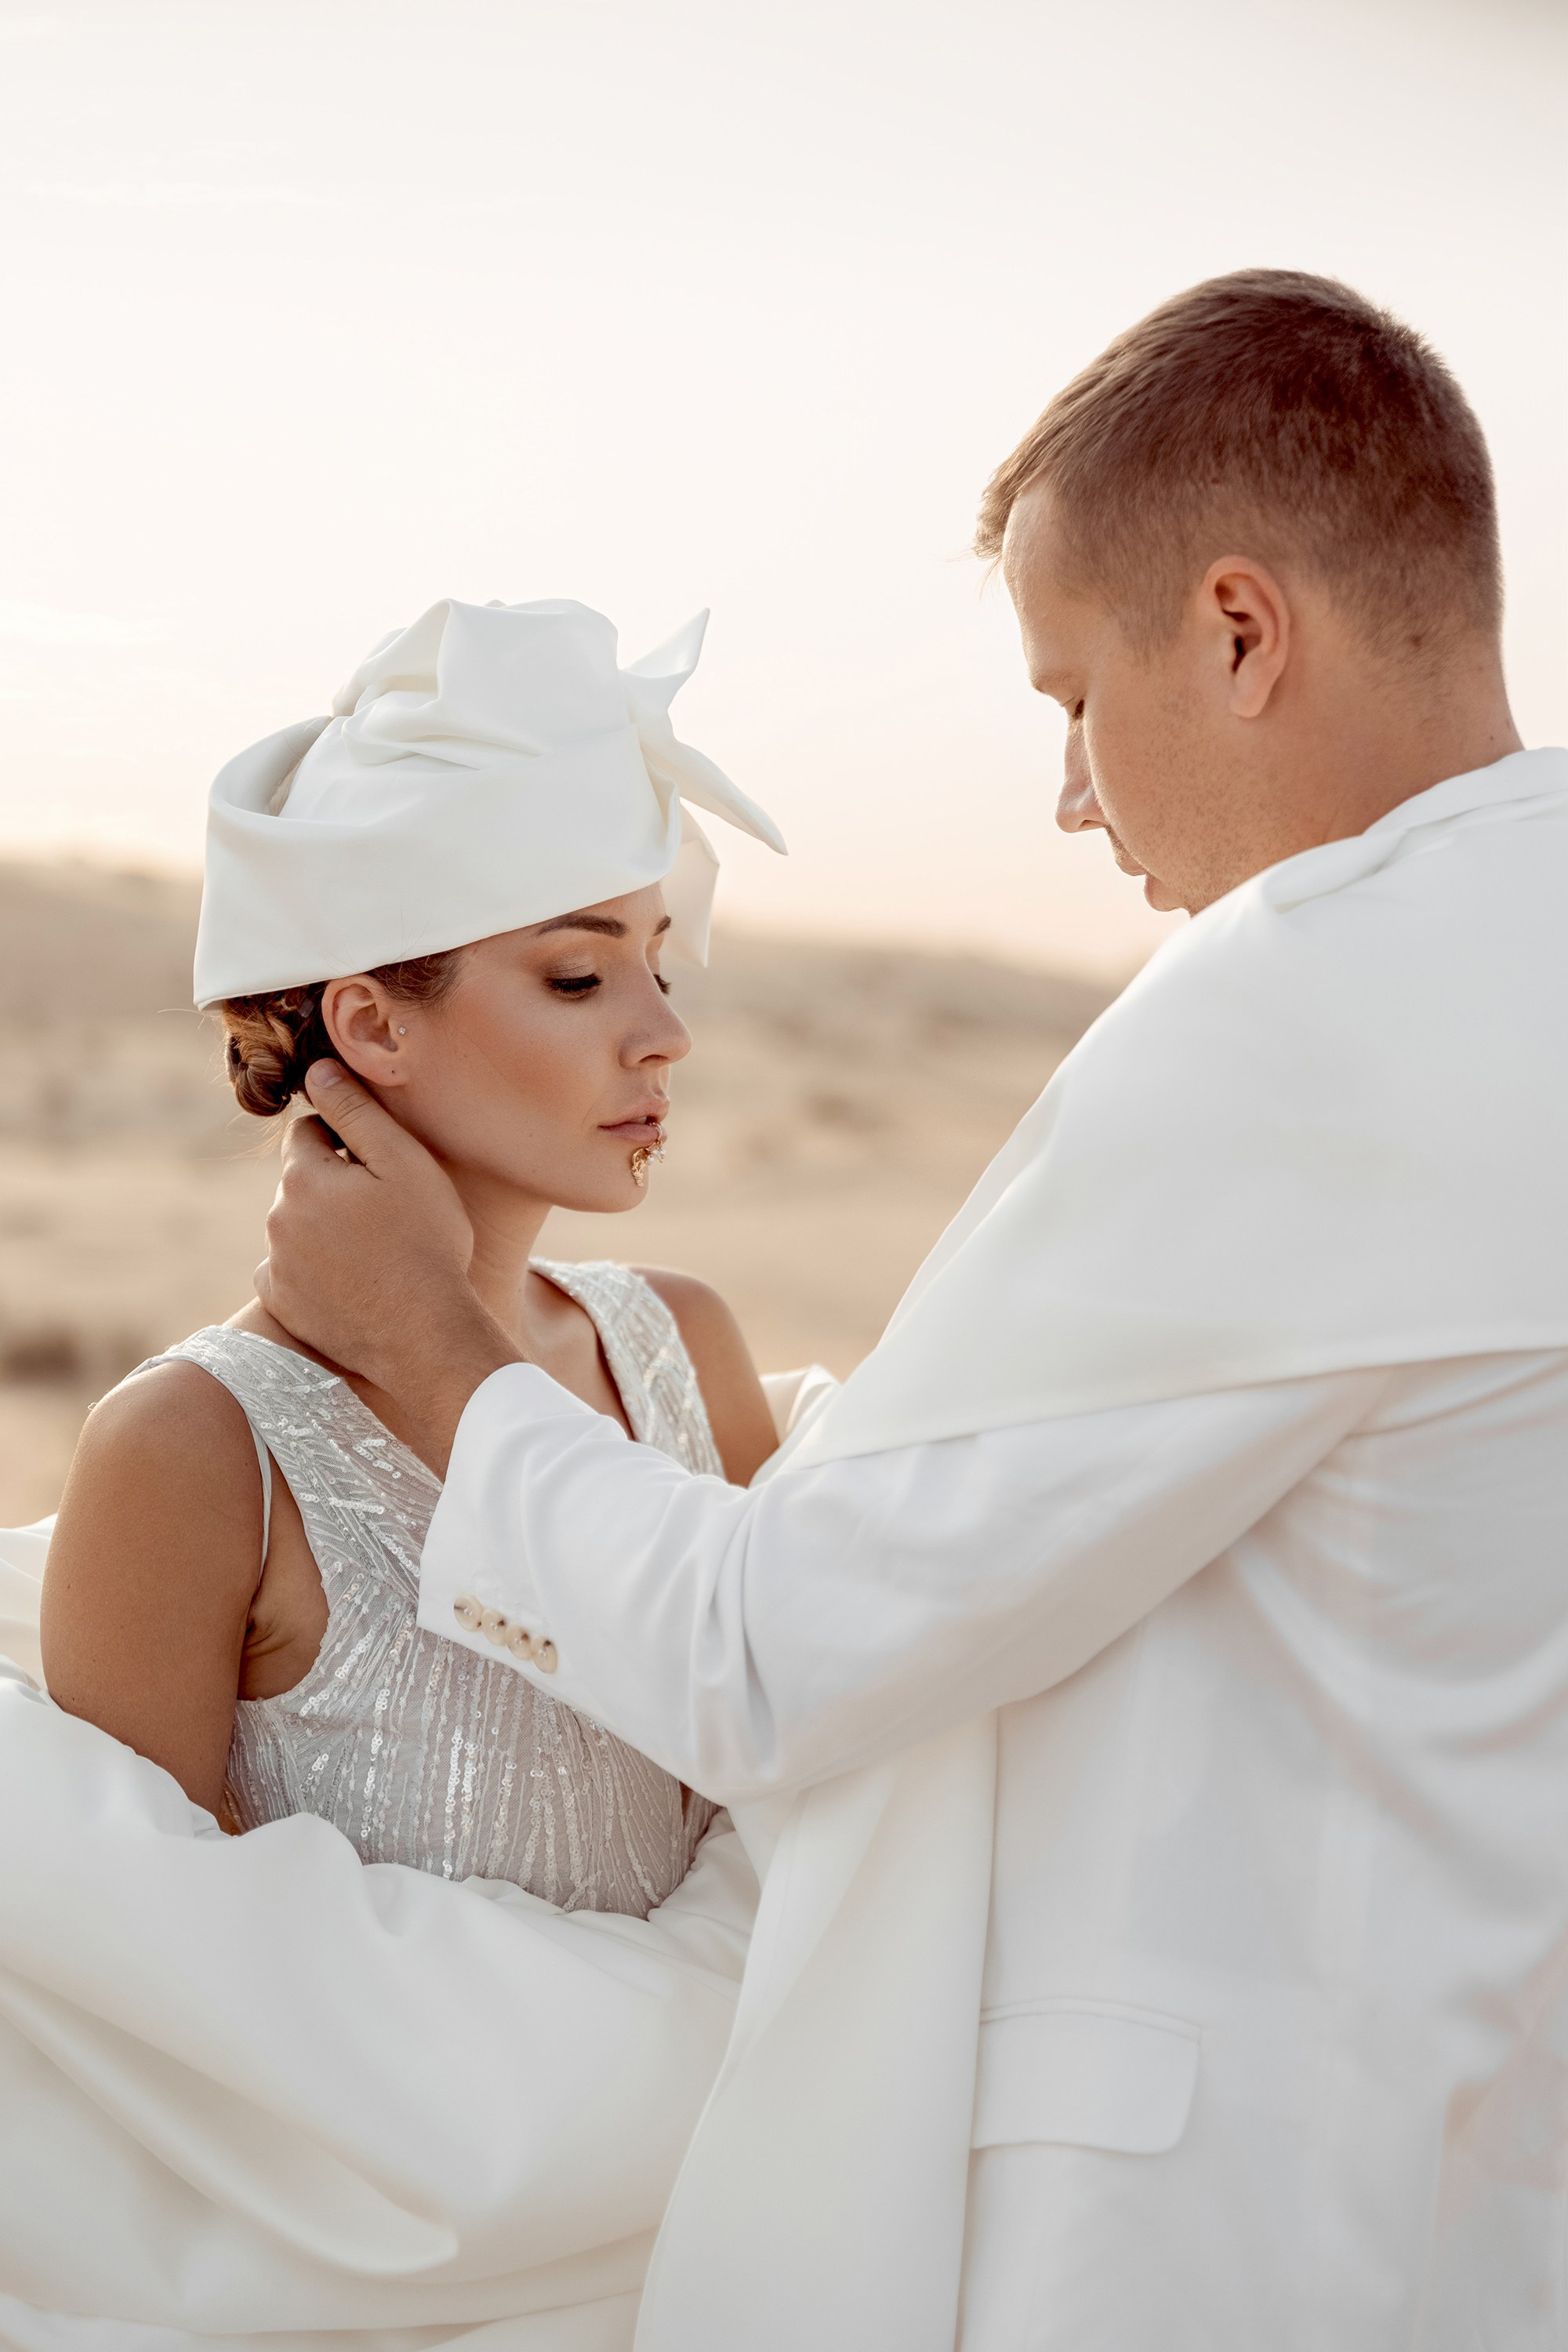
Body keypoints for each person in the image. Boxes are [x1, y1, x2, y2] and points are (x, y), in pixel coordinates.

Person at [258, 271, 1568, 2351]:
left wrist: (429, 1347)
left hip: (1197, 2263)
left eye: (1072, 697)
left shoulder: (1307, 1008)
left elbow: (780, 1655)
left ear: (1239, 633)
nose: (1069, 791)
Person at [0, 597, 784, 2347]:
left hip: (722, 2269)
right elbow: (157, 2044)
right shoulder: (195, 1454)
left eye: (660, 959)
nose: (660, 1031)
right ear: (372, 1020)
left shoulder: (686, 1350)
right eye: (578, 975)